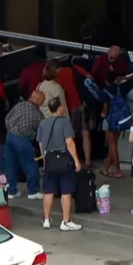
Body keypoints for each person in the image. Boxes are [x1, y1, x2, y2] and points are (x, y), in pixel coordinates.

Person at [37, 97, 83, 231]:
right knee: (66, 191)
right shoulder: (65, 123)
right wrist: (76, 160)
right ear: (59, 108)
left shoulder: (43, 123)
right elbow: (69, 142)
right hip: (63, 159)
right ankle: (66, 221)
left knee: (48, 190)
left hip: (49, 159)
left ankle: (46, 220)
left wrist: (45, 158)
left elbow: (40, 143)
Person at [4, 90, 44, 200]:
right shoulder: (37, 113)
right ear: (39, 100)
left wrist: (10, 130)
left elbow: (7, 118)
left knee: (10, 164)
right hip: (23, 139)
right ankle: (33, 191)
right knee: (30, 164)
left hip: (10, 136)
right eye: (43, 100)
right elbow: (41, 130)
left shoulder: (19, 105)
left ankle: (12, 190)